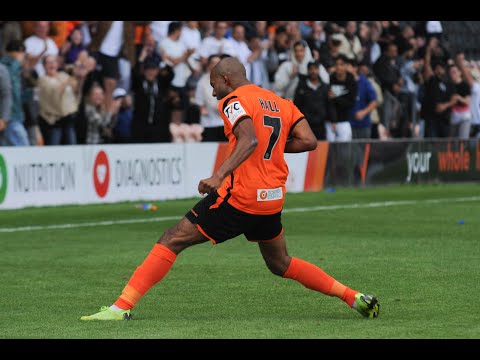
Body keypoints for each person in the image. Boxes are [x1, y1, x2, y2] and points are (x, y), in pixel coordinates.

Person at [80, 57, 379, 321]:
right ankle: (353, 297)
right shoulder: (280, 102)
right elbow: (309, 140)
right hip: (271, 198)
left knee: (171, 239)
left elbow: (248, 139)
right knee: (280, 262)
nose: (212, 93)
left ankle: (120, 308)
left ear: (226, 79)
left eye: (213, 85)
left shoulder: (234, 100)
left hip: (241, 198)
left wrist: (219, 175)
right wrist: (271, 149)